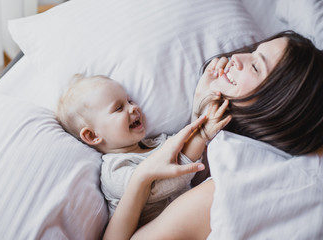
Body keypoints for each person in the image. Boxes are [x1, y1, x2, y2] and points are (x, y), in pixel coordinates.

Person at [103, 31, 323, 239]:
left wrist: (141, 177)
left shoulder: (223, 194)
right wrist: (199, 110)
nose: (236, 57)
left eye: (255, 67)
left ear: (279, 107)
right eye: (254, 51)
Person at [55, 75, 231, 226]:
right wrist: (202, 136)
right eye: (118, 108)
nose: (133, 108)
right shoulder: (115, 170)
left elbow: (189, 145)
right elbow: (161, 185)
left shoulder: (158, 142)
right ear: (93, 136)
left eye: (129, 101)